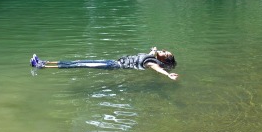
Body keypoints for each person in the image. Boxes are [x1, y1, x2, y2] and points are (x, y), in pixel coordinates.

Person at [30, 47, 179, 80]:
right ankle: (45, 62)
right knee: (79, 61)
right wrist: (153, 51)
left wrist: (167, 75)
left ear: (164, 60)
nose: (165, 51)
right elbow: (151, 54)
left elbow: (156, 68)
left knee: (81, 65)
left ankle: (41, 66)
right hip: (113, 61)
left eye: (167, 54)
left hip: (114, 66)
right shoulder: (151, 56)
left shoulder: (153, 63)